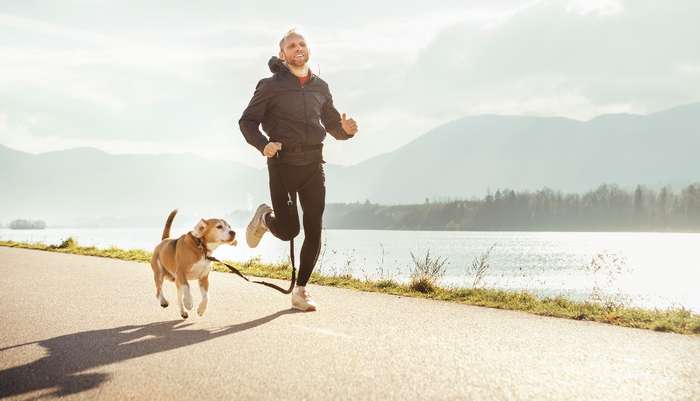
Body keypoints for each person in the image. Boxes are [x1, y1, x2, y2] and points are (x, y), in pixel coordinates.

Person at [239, 29, 358, 311]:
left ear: (308, 49)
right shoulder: (270, 86)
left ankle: (301, 291)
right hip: (282, 164)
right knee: (290, 229)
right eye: (291, 45)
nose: (298, 48)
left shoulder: (321, 87)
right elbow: (247, 122)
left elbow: (331, 124)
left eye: (302, 43)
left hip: (314, 165)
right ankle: (266, 219)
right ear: (283, 55)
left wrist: (345, 131)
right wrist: (263, 145)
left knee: (314, 229)